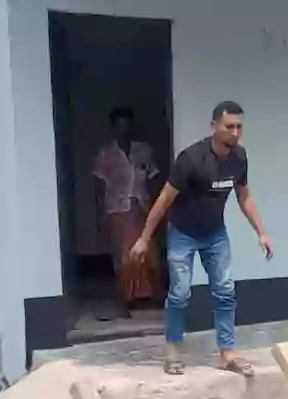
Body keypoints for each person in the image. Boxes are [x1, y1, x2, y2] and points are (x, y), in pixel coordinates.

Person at [130, 100, 272, 377]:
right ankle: (172, 349)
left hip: (215, 234)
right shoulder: (192, 159)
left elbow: (244, 197)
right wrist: (144, 238)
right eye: (229, 126)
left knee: (225, 291)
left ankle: (227, 354)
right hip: (183, 233)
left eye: (239, 127)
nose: (235, 132)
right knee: (180, 293)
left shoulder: (239, 158)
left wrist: (261, 232)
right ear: (214, 126)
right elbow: (163, 200)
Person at [92, 107, 163, 314]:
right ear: (113, 128)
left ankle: (150, 295)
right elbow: (99, 185)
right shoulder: (106, 154)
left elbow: (152, 179)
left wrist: (157, 210)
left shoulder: (144, 150)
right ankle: (128, 297)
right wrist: (99, 214)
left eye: (127, 125)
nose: (124, 130)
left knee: (148, 251)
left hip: (142, 206)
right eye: (119, 126)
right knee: (124, 254)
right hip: (117, 209)